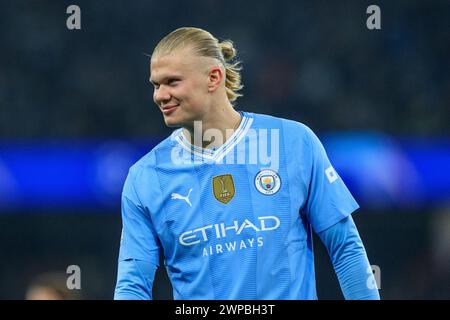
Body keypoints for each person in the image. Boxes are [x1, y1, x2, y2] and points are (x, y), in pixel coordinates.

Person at [114, 27, 380, 300]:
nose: (160, 95)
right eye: (156, 85)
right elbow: (133, 285)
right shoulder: (145, 177)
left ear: (213, 77)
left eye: (172, 82)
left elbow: (345, 247)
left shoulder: (292, 142)